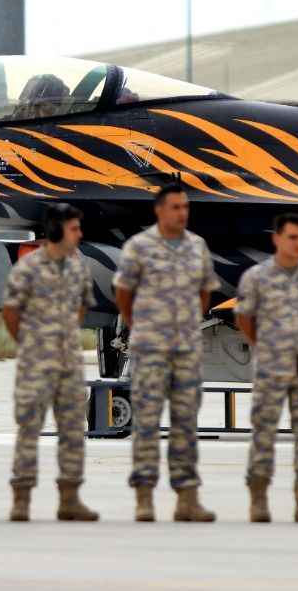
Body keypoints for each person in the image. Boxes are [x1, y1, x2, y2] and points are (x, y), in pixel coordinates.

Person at [114, 182, 219, 522]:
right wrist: (141, 327)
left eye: (185, 207)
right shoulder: (139, 247)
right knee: (146, 422)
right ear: (159, 210)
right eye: (175, 207)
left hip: (185, 350)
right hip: (150, 350)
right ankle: (144, 498)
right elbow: (123, 294)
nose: (182, 213)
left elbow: (205, 292)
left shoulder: (197, 246)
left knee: (186, 423)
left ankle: (187, 498)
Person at [2, 204, 99, 522]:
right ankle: (21, 499)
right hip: (36, 363)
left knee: (72, 431)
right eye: (74, 228)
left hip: (69, 363)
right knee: (29, 429)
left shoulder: (78, 267)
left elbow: (82, 308)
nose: (80, 234)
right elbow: (11, 312)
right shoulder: (28, 268)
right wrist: (31, 344)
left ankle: (69, 498)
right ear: (57, 230)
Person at [235, 212, 298, 523]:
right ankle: (258, 499)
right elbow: (244, 318)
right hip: (270, 368)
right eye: (292, 237)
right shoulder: (256, 277)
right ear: (277, 238)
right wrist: (264, 347)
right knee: (264, 433)